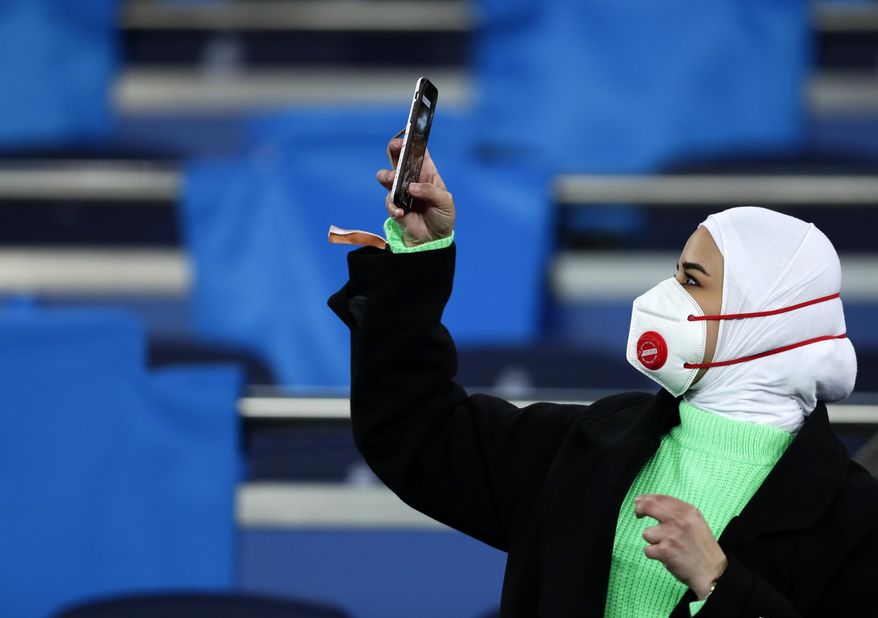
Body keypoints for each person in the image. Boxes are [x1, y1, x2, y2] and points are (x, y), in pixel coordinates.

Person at [328, 138, 878, 617]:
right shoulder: (591, 443)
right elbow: (416, 429)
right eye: (675, 274)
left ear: (767, 317)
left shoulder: (856, 517)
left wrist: (721, 585)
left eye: (692, 280)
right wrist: (416, 257)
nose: (666, 297)